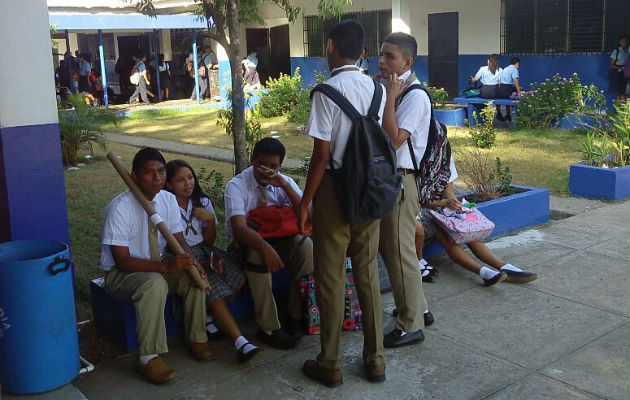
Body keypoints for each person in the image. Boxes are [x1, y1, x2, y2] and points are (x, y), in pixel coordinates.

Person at [297, 19, 386, 387]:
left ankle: (329, 362)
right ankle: (376, 359)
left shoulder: (325, 92)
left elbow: (321, 156)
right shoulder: (377, 90)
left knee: (331, 277)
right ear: (364, 52)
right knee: (366, 273)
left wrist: (305, 202)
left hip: (335, 190)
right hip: (372, 189)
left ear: (330, 46)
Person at [100, 147, 213, 385]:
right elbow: (122, 260)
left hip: (157, 262)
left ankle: (196, 336)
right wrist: (166, 268)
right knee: (154, 284)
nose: (157, 178)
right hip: (122, 273)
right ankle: (148, 358)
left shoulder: (167, 199)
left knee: (191, 279)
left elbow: (178, 239)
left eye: (161, 172)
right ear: (134, 176)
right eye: (149, 173)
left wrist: (190, 261)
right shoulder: (119, 208)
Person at [165, 160, 260, 363]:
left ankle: (208, 314)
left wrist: (209, 221)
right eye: (180, 180)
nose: (187, 183)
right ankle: (240, 342)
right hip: (182, 254)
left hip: (206, 249)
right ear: (170, 184)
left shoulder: (202, 201)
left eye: (190, 178)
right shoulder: (166, 204)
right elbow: (172, 243)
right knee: (213, 288)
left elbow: (210, 241)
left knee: (239, 278)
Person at [224, 138, 313, 350]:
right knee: (256, 254)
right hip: (246, 244)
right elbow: (239, 228)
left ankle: (295, 315)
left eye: (273, 166)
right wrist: (266, 248)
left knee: (306, 246)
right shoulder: (236, 186)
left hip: (279, 240)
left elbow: (306, 214)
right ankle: (268, 328)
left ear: (280, 166)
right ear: (252, 160)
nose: (267, 171)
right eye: (261, 165)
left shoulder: (283, 182)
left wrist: (283, 184)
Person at [376, 31, 433, 349]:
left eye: (390, 56)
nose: (382, 61)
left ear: (407, 61)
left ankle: (409, 325)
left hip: (400, 181)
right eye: (381, 55)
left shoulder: (413, 95)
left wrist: (392, 99)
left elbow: (393, 139)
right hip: (389, 181)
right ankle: (417, 308)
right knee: (396, 251)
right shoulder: (393, 88)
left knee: (400, 254)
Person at [415, 156, 538, 286]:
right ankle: (483, 272)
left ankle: (504, 267)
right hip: (420, 210)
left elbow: (449, 190)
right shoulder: (416, 154)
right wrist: (445, 203)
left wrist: (455, 208)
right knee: (447, 239)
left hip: (443, 207)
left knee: (468, 233)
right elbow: (417, 200)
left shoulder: (444, 154)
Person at [471, 54, 503, 120]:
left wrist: (472, 79)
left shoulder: (483, 69)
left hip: (484, 92)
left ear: (488, 61)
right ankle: (498, 112)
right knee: (499, 95)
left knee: (480, 95)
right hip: (495, 92)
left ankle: (484, 114)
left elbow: (475, 79)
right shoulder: (500, 70)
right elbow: (500, 84)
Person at [497, 57, 522, 121]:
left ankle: (502, 114)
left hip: (500, 89)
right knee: (519, 91)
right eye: (518, 65)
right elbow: (515, 81)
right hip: (507, 89)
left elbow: (499, 81)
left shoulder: (505, 69)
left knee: (506, 96)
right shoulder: (514, 70)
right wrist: (519, 91)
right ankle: (515, 114)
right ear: (517, 63)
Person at [609, 34, 629, 103]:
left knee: (623, 91)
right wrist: (621, 68)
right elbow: (611, 65)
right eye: (622, 41)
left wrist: (625, 69)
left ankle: (623, 108)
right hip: (618, 73)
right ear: (620, 42)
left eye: (626, 41)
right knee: (620, 92)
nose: (624, 42)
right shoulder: (616, 51)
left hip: (625, 72)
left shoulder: (628, 51)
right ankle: (618, 107)